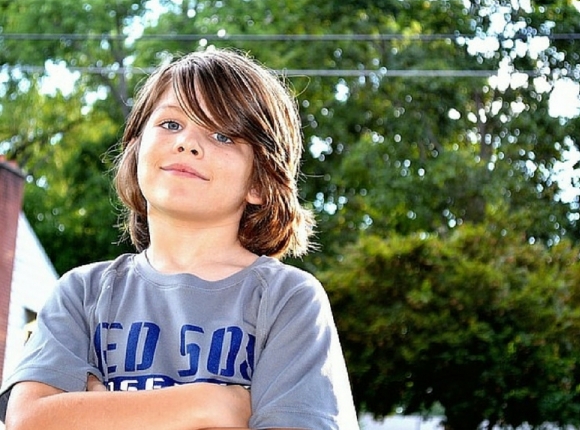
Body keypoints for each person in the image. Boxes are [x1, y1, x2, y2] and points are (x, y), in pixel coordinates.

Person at [0, 48, 359, 430]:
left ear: (259, 182)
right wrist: (211, 403)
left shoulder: (288, 299)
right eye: (171, 124)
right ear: (135, 150)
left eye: (222, 135)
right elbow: (29, 419)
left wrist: (103, 413)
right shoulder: (82, 293)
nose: (187, 142)